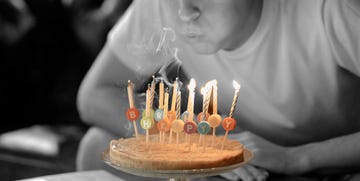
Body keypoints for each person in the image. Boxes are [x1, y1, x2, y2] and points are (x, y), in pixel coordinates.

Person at [76, 0, 360, 180]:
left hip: (334, 163)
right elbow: (95, 94)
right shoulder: (163, 5)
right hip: (253, 164)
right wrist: (185, 145)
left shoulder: (330, 9)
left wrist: (296, 159)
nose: (185, 12)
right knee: (99, 147)